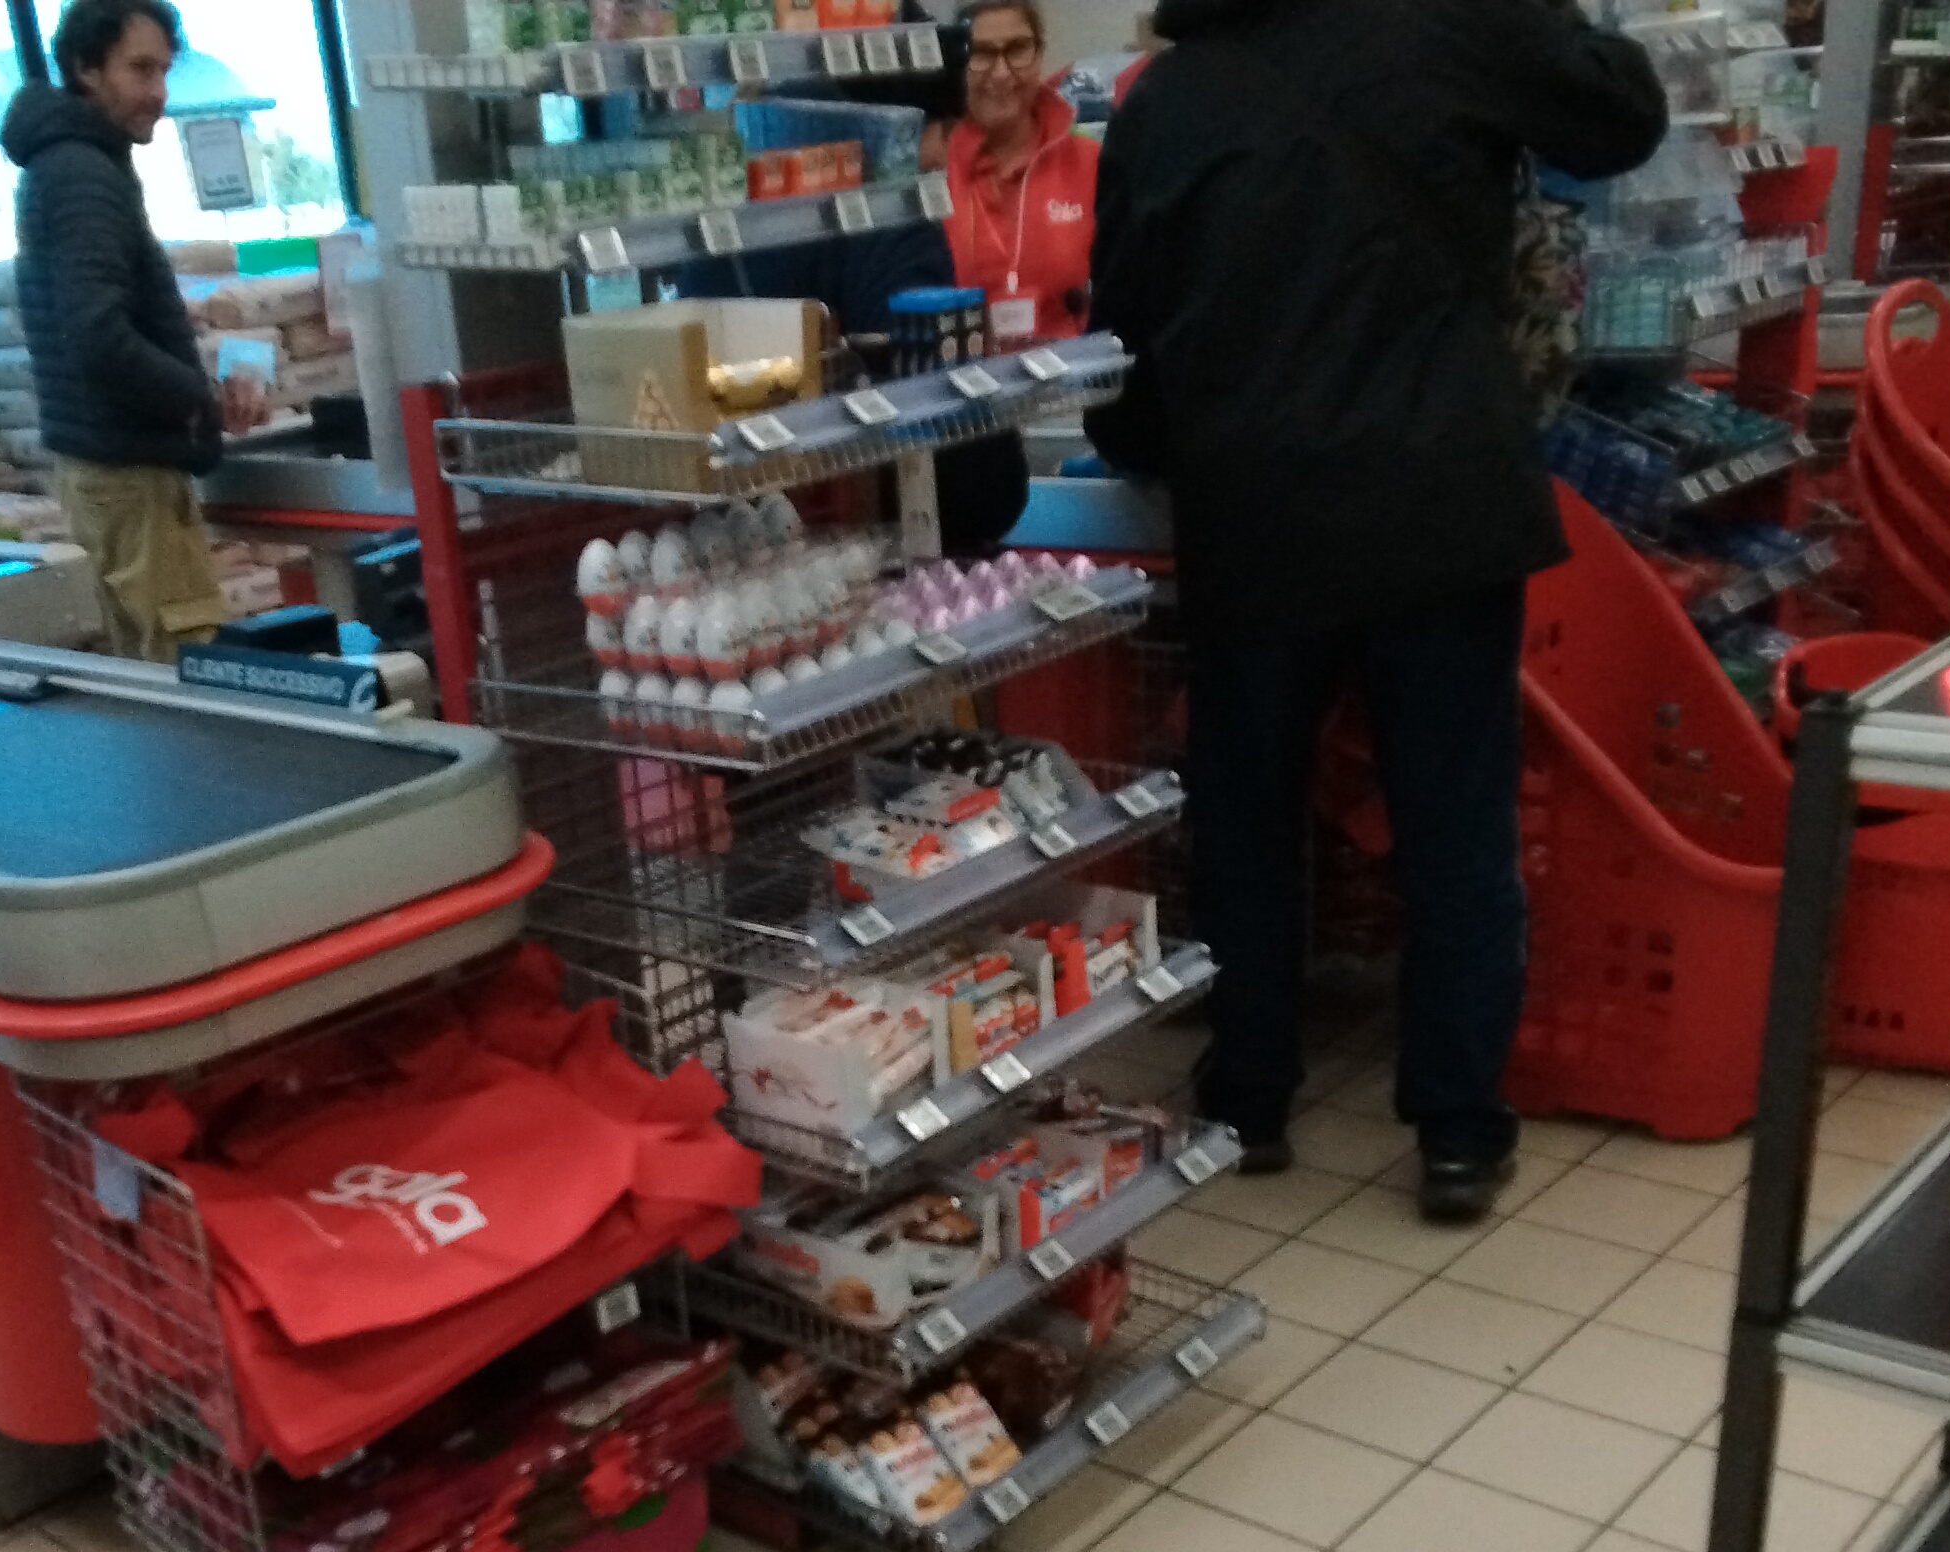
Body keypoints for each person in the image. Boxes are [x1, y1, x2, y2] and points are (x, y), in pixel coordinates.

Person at [1085, 0, 1663, 1220]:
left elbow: (1126, 328)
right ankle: (1456, 1131)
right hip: (1436, 496)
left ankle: (1249, 1098)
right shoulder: (1448, 24)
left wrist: (1151, 445)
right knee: (1454, 830)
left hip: (1254, 512)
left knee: (1248, 823)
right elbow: (1622, 115)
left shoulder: (1166, 99)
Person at [668, 48, 1028, 552]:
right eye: (947, 136)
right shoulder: (887, 206)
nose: (944, 162)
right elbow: (971, 476)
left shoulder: (737, 162)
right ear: (906, 124)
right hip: (862, 523)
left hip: (729, 506)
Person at [5, 0, 268, 662]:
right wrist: (198, 400)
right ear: (86, 69)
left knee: (145, 670)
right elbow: (98, 337)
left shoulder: (68, 164)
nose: (158, 92)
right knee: (186, 667)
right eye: (140, 70)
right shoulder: (83, 175)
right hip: (130, 477)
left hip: (106, 470)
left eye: (164, 71)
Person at [942, 0, 1100, 346]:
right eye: (981, 53)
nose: (1001, 72)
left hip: (1072, 374)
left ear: (1039, 55)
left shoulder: (1092, 164)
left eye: (1017, 50)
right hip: (960, 376)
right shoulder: (932, 173)